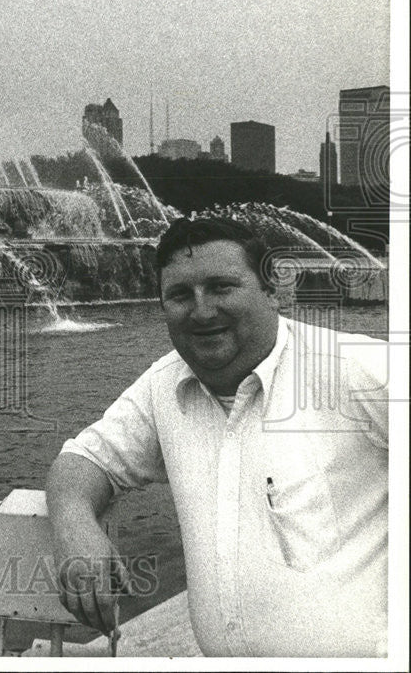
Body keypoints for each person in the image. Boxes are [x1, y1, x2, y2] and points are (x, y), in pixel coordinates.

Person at [46, 216, 388, 657]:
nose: (202, 310)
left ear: (271, 291)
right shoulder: (163, 388)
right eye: (180, 295)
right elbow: (83, 460)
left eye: (222, 287)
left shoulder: (354, 369)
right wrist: (74, 524)